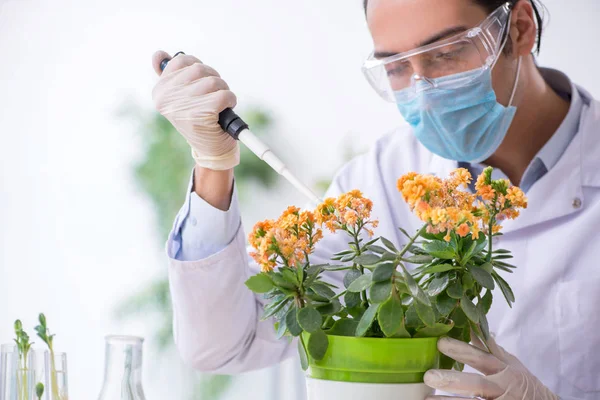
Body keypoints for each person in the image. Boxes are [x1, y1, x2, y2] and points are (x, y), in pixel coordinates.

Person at [151, 0, 600, 398]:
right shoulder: (383, 179)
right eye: (396, 67)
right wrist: (213, 163)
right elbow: (227, 343)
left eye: (445, 53)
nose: (422, 90)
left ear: (520, 28)